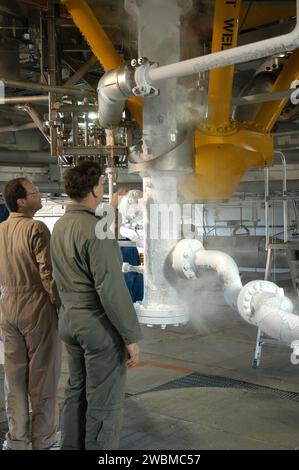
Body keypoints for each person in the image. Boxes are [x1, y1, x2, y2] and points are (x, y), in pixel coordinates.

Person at [51, 160, 142, 450]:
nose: (104, 188)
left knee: (76, 392)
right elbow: (111, 289)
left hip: (69, 321)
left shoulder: (61, 225)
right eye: (102, 184)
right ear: (93, 189)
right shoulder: (96, 230)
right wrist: (131, 337)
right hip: (97, 326)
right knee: (104, 401)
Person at [0, 178, 61, 450]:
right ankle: (44, 440)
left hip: (7, 304)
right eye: (35, 192)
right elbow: (48, 273)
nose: (40, 195)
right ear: (22, 202)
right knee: (43, 378)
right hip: (36, 305)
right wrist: (60, 305)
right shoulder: (36, 228)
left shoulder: (0, 230)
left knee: (13, 380)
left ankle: (17, 441)